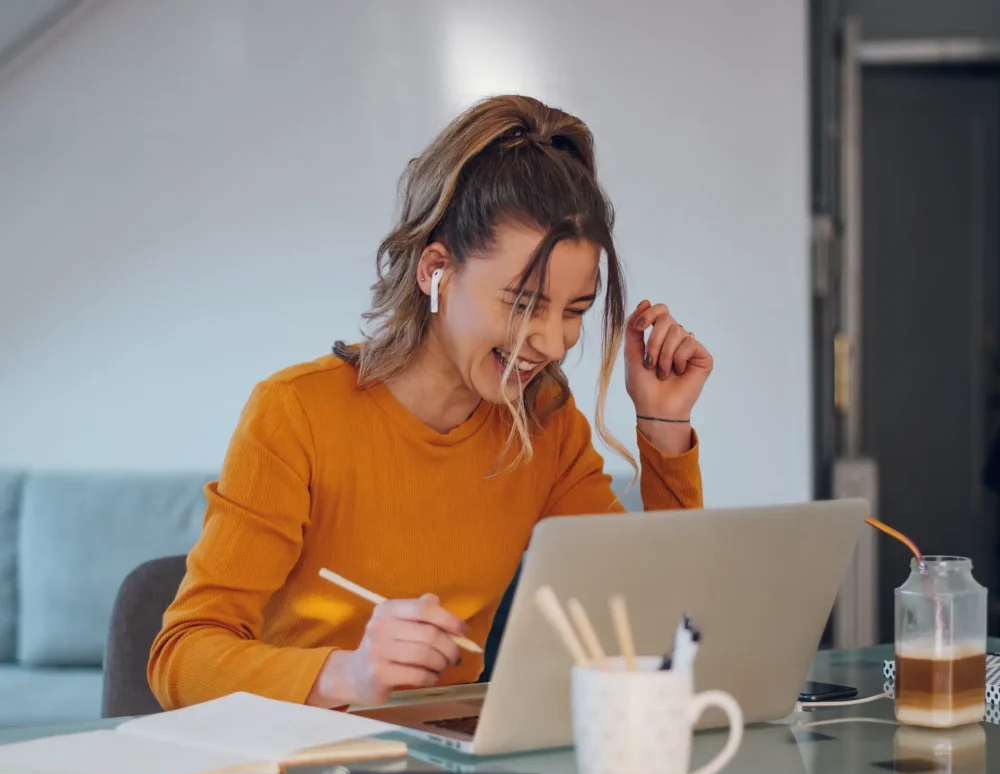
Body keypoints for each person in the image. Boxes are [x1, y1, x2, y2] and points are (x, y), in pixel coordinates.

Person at [148, 95, 713, 711]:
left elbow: (656, 620)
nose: (551, 342)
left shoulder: (545, 423)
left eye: (574, 311)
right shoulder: (295, 415)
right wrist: (350, 676)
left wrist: (663, 427)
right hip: (299, 772)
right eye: (523, 305)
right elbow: (181, 656)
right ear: (436, 270)